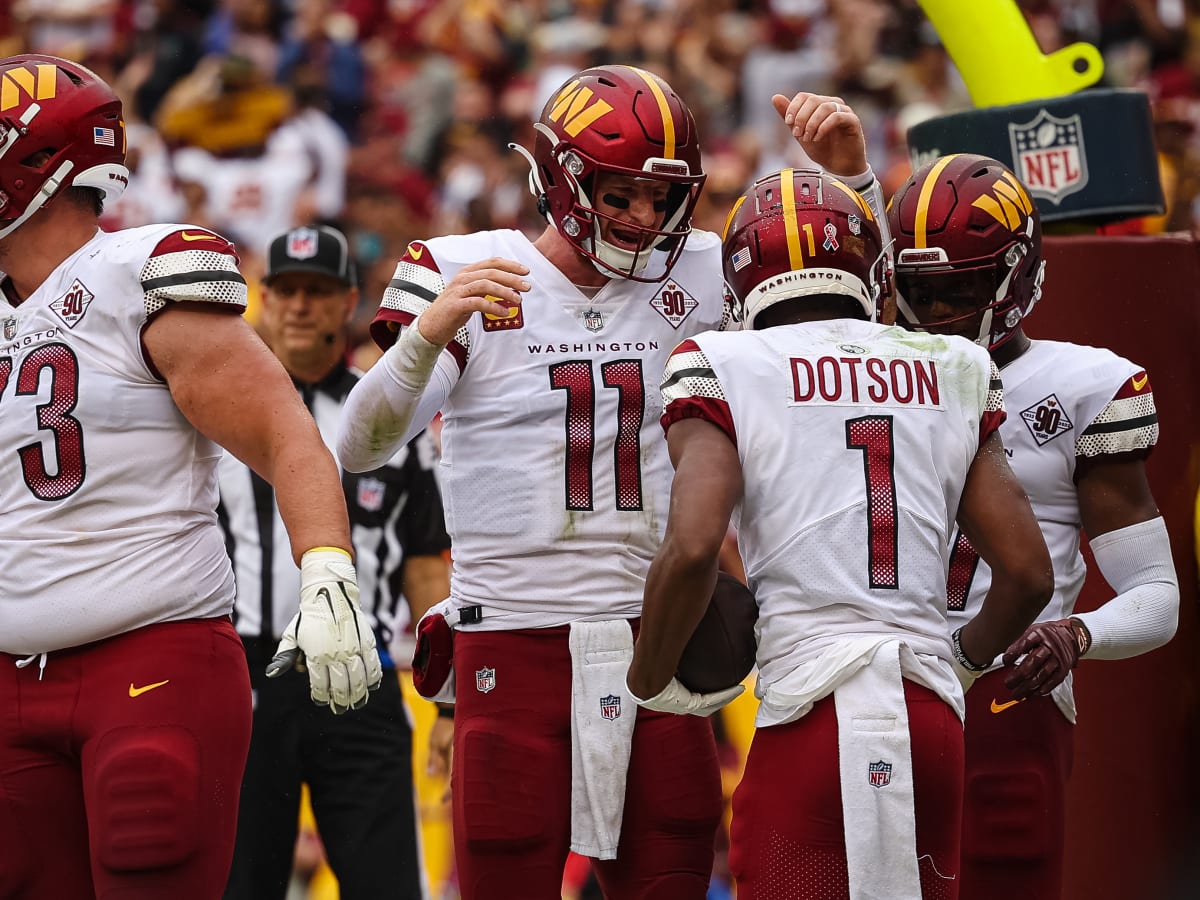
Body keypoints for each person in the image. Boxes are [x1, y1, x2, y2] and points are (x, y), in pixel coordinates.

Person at [336, 67, 880, 899]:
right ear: (562, 178)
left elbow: (856, 346)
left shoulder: (705, 268)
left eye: (664, 201)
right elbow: (362, 445)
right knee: (504, 871)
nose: (645, 220)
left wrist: (849, 183)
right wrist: (428, 332)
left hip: (658, 637)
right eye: (622, 194)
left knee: (672, 866)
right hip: (511, 637)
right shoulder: (465, 267)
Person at [0, 55, 381, 899]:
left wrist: (326, 571)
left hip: (149, 656)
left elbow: (287, 436)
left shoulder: (136, 275)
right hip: (9, 679)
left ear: (41, 163)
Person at [625, 166, 1055, 900]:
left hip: (812, 714)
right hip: (930, 722)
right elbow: (1028, 576)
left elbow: (695, 547)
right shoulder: (953, 364)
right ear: (871, 267)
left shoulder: (721, 361)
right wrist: (954, 664)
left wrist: (649, 682)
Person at [886, 152, 1180, 900]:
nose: (942, 309)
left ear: (1017, 274)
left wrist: (1077, 634)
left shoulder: (1083, 386)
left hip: (1004, 690)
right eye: (922, 289)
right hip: (879, 680)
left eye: (964, 286)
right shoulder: (867, 365)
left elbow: (1156, 595)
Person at [220, 224, 451, 899]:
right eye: (286, 290)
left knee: (387, 884)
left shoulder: (384, 415)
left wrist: (446, 701)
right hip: (244, 674)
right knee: (238, 881)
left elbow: (423, 564)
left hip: (361, 674)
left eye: (316, 291)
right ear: (262, 298)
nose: (299, 305)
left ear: (349, 300)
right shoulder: (216, 405)